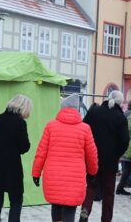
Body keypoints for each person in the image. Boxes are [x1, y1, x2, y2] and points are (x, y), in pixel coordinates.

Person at [32, 94, 98, 222]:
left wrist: (36, 173)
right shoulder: (85, 129)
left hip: (53, 175)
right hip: (75, 176)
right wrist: (92, 172)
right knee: (69, 209)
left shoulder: (51, 126)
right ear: (77, 109)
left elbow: (41, 152)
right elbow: (92, 154)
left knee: (56, 206)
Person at [79, 90, 129, 222]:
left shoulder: (94, 111)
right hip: (110, 160)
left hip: (92, 157)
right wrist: (117, 154)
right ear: (120, 102)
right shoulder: (120, 117)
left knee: (91, 187)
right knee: (108, 193)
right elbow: (125, 141)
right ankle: (106, 219)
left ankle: (85, 209)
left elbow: (83, 130)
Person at [116, 99, 131, 196]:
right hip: (129, 144)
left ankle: (123, 186)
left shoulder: (126, 114)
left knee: (128, 168)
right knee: (129, 169)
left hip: (125, 143)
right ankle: (122, 187)